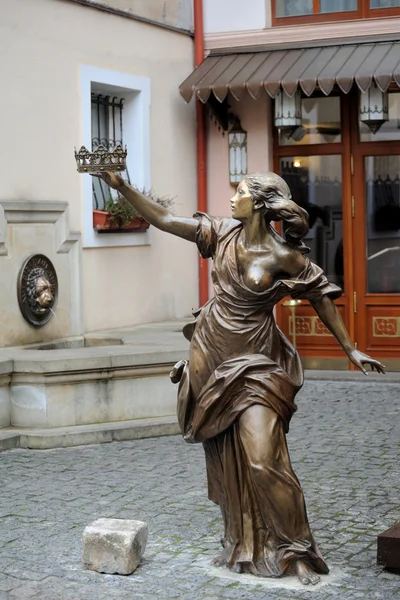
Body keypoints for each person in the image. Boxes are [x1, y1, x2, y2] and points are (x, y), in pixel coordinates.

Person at [94, 171, 385, 585]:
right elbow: (162, 219)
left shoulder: (286, 256)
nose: (233, 198)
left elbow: (320, 296)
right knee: (230, 456)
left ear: (261, 204)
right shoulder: (220, 235)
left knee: (266, 459)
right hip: (211, 352)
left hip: (258, 362)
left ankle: (296, 551)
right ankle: (244, 545)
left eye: (242, 192)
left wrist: (350, 348)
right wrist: (121, 187)